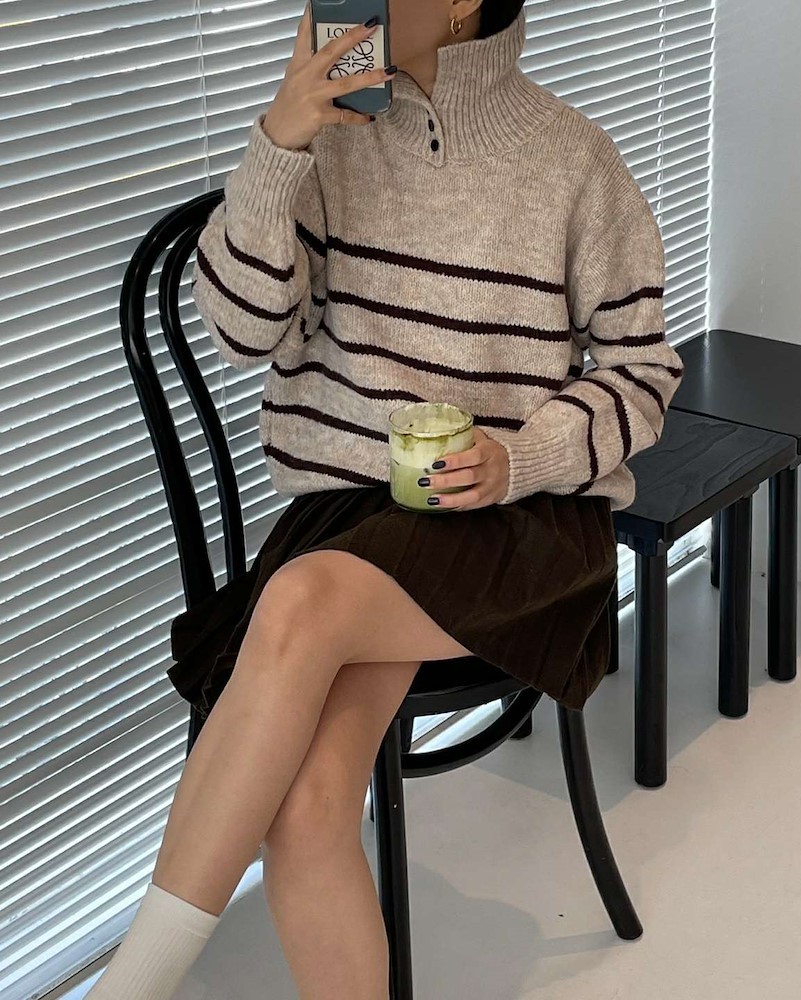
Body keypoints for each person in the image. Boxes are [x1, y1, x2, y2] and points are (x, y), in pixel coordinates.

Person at [90, 1, 684, 997]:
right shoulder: (325, 143)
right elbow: (241, 335)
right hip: (357, 515)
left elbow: (641, 375)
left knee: (301, 601)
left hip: (517, 516)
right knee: (307, 809)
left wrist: (520, 458)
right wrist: (279, 143)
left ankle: (131, 986)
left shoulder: (574, 159)